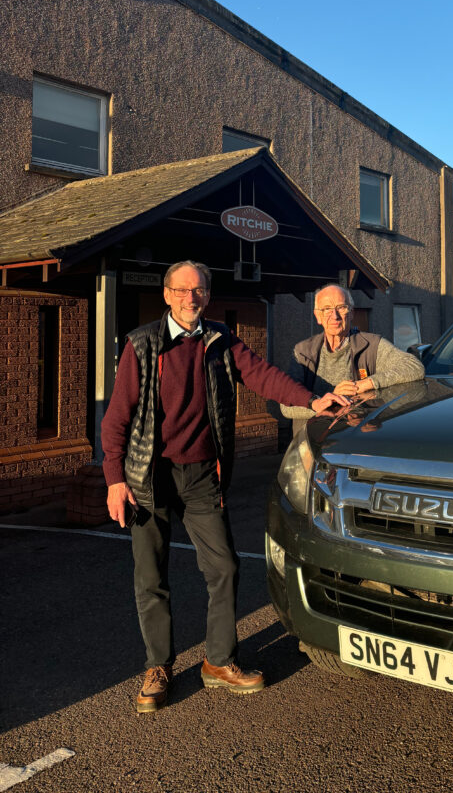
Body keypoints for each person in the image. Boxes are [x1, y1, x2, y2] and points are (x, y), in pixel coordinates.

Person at [101, 260, 347, 714]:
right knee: (151, 576)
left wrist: (312, 400)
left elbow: (263, 377)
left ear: (207, 296)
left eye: (198, 291)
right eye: (181, 290)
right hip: (148, 478)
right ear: (167, 295)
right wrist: (115, 479)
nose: (190, 298)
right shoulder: (142, 346)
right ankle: (158, 667)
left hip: (199, 477)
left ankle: (218, 661)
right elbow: (117, 419)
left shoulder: (220, 340)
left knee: (225, 568)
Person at [280, 284, 425, 432]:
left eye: (341, 307)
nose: (334, 316)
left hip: (358, 440)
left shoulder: (372, 345)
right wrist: (328, 400)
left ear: (351, 313)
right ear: (318, 316)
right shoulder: (302, 352)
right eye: (327, 309)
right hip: (312, 443)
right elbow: (286, 405)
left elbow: (414, 367)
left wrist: (367, 383)